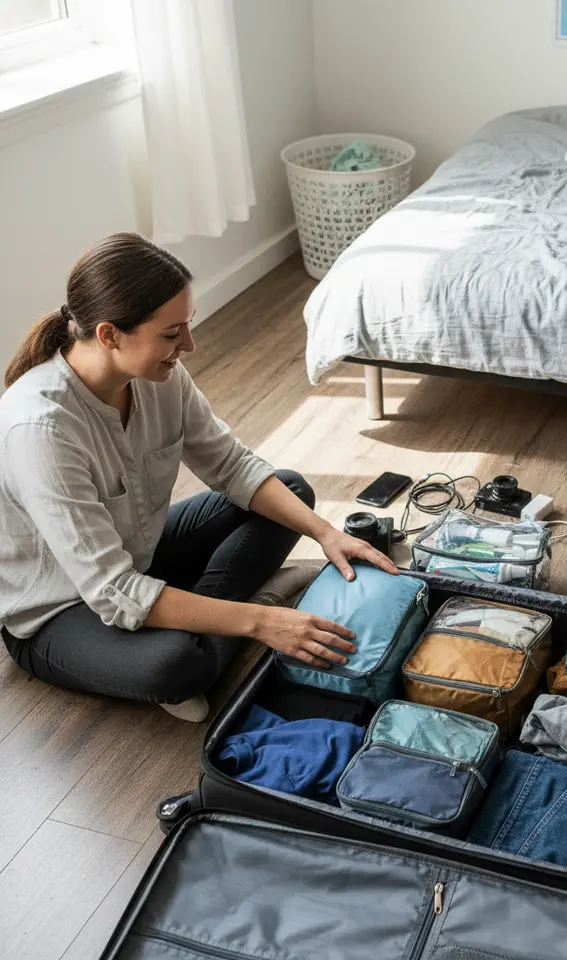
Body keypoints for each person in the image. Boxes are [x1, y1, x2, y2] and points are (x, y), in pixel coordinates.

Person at [0, 234, 397, 722]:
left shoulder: (158, 376)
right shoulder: (40, 429)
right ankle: (252, 604)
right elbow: (112, 589)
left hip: (138, 556)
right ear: (109, 335)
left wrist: (327, 534)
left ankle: (211, 622)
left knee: (290, 490)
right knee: (176, 666)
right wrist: (261, 620)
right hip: (60, 610)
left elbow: (231, 465)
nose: (188, 345)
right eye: (171, 334)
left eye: (186, 326)